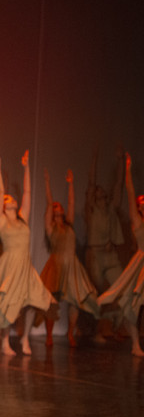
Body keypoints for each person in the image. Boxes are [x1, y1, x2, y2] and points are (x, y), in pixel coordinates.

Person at [0, 150, 54, 355]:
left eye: (11, 197)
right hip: (10, 264)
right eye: (7, 198)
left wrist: (26, 167)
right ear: (3, 206)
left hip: (25, 265)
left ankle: (24, 339)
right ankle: (5, 342)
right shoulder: (1, 220)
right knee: (7, 303)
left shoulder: (22, 217)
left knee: (31, 303)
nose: (10, 198)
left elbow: (28, 193)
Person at [39, 168, 99, 346]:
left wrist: (71, 183)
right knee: (52, 302)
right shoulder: (50, 228)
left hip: (72, 266)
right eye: (55, 206)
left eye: (59, 205)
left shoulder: (69, 225)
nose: (57, 206)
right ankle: (49, 335)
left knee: (75, 301)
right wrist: (47, 183)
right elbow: (49, 203)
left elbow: (72, 203)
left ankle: (70, 333)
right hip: (57, 265)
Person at [97, 154, 144, 357]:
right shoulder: (137, 220)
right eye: (142, 203)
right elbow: (130, 190)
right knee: (131, 303)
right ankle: (135, 344)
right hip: (141, 264)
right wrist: (127, 172)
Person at [85, 149, 126, 341]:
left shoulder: (110, 208)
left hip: (110, 255)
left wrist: (121, 163)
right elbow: (91, 183)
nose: (100, 190)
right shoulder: (92, 209)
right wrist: (94, 158)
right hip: (95, 254)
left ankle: (115, 325)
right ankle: (98, 330)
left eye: (102, 189)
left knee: (121, 288)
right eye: (98, 190)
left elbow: (119, 185)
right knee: (98, 293)